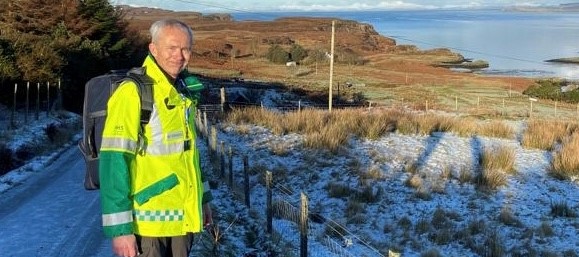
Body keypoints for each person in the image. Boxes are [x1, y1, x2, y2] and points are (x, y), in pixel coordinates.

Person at [99, 19, 213, 257]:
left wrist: (203, 200)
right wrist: (120, 230)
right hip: (148, 227)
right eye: (172, 48)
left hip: (181, 220)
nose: (179, 56)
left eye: (185, 49)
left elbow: (188, 154)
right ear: (153, 49)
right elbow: (113, 163)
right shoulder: (132, 93)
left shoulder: (182, 92)